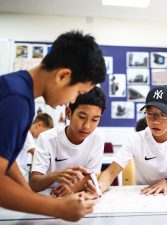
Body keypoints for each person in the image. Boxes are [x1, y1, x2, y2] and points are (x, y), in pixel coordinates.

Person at [0, 30, 106, 221]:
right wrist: (57, 208)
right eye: (77, 92)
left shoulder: (18, 91)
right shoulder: (17, 101)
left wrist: (30, 198)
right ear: (63, 76)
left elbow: (6, 162)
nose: (72, 99)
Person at [86, 85, 167, 196]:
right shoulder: (136, 140)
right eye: (150, 114)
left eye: (163, 115)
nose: (155, 121)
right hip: (145, 195)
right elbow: (111, 173)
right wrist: (98, 188)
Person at [30, 86, 106, 196]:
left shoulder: (97, 138)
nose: (87, 126)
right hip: (48, 197)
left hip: (77, 197)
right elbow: (34, 184)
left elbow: (93, 174)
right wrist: (55, 175)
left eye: (95, 119)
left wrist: (72, 188)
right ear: (68, 113)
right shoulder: (47, 139)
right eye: (82, 116)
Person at [16, 113, 53, 180]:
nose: (43, 136)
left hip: (22, 173)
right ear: (39, 125)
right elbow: (36, 153)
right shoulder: (26, 134)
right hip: (18, 173)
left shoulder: (32, 138)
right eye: (44, 132)